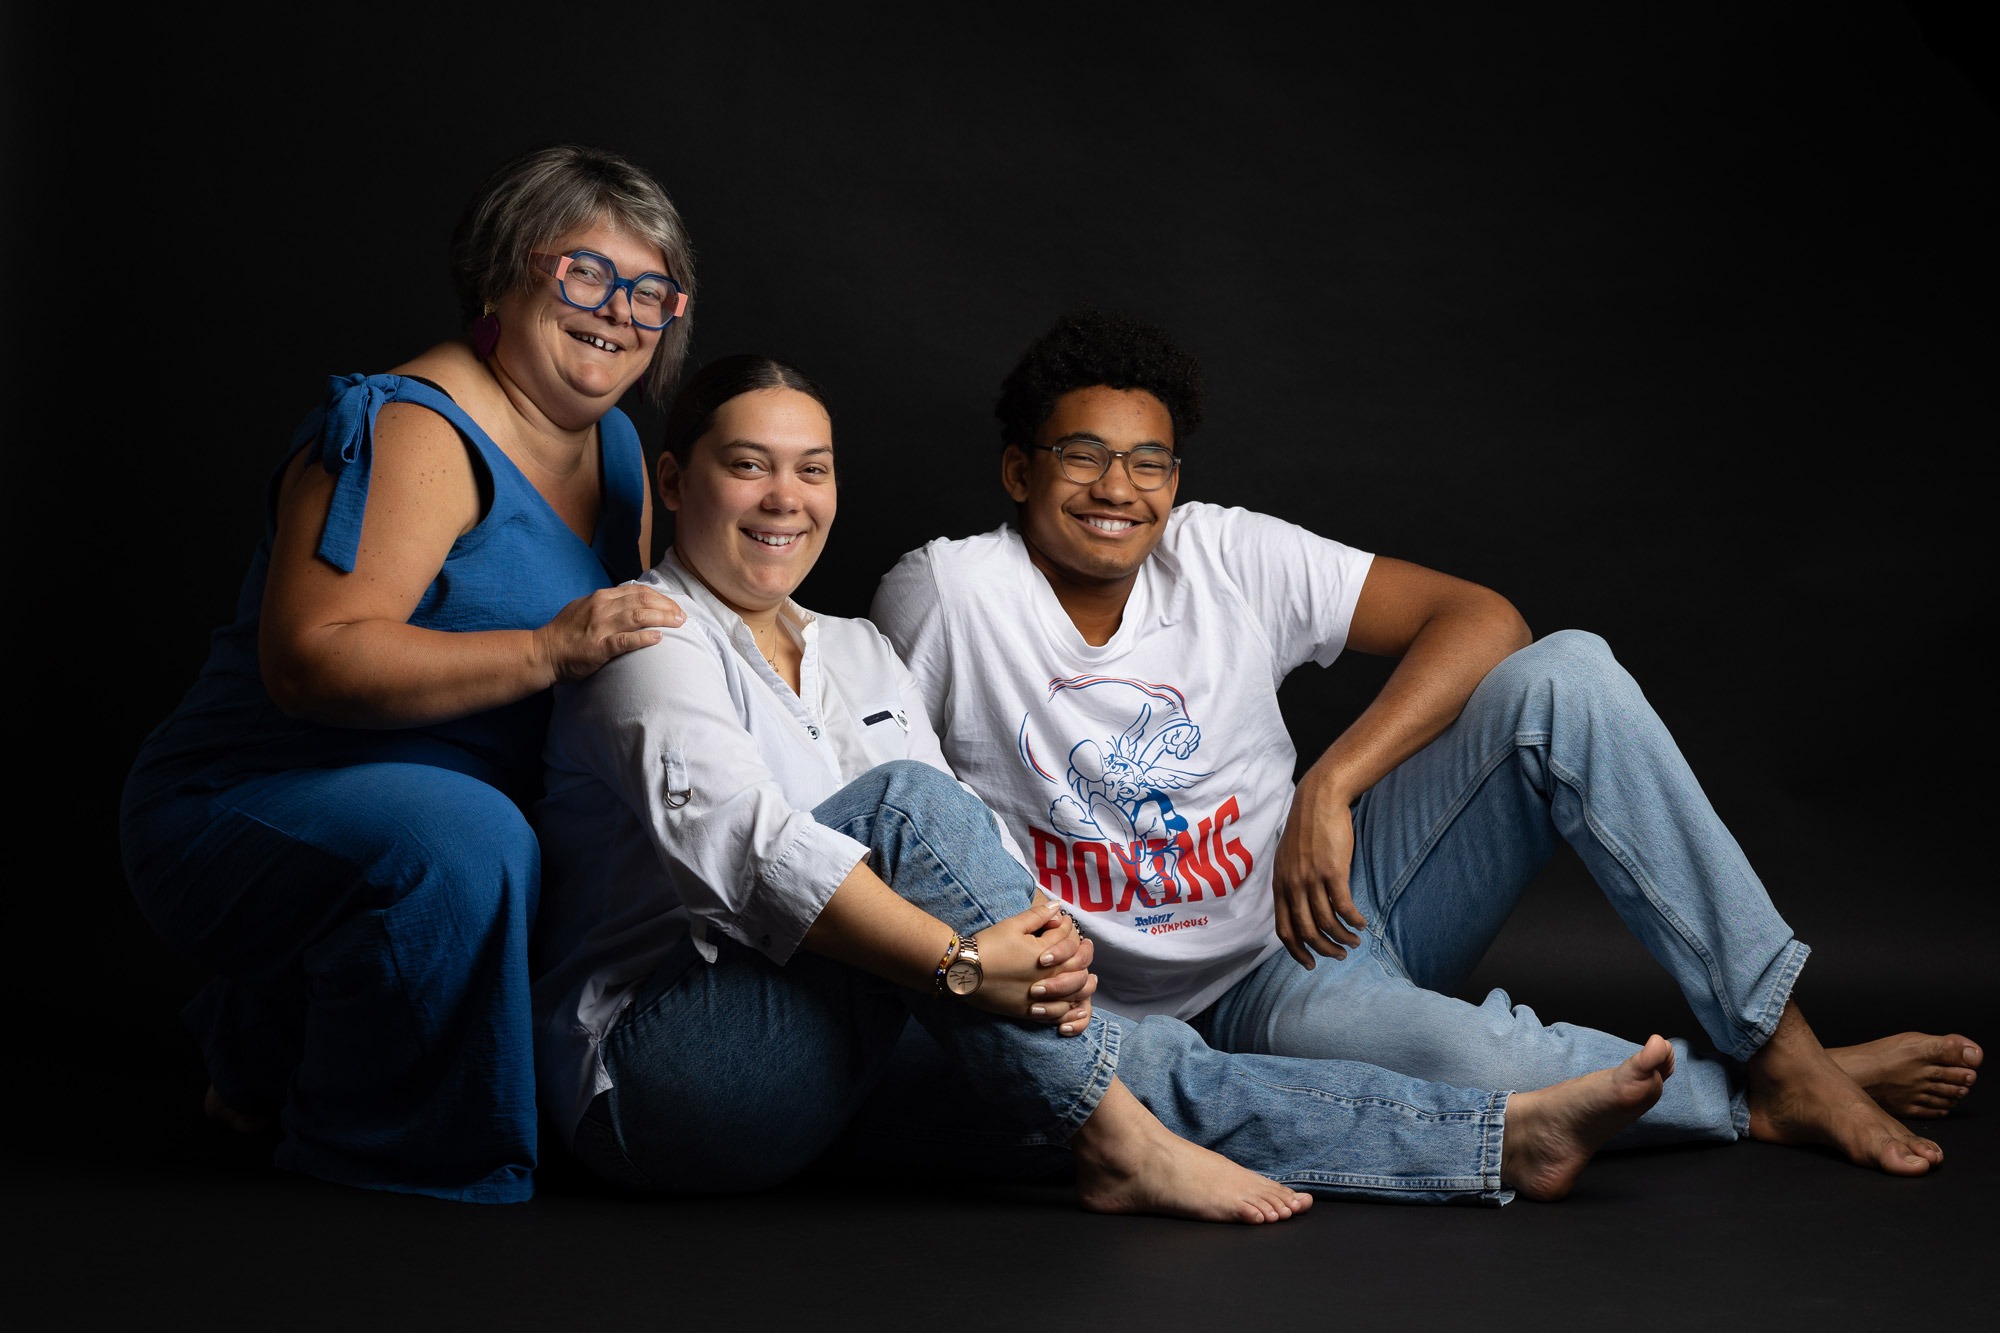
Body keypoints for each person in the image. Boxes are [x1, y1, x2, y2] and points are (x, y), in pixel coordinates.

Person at [531, 351, 1684, 1223]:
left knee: (1128, 1061)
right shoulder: (647, 636)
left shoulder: (850, 650)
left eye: (811, 469)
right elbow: (763, 860)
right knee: (909, 819)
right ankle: (1116, 1131)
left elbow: (955, 865)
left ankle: (1490, 1144)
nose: (784, 498)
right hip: (666, 1075)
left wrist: (1022, 967)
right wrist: (976, 964)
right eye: (747, 465)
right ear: (675, 478)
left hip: (845, 1032)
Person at [868, 305, 1981, 1179]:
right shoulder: (949, 594)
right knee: (1481, 1066)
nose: (1118, 489)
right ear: (1019, 471)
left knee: (1567, 672)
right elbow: (891, 803)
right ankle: (1773, 1091)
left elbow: (1484, 618)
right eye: (1081, 455)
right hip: (1115, 1012)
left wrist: (1331, 784)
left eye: (1149, 461)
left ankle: (1780, 1040)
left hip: (1296, 940)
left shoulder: (1223, 554)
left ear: (1176, 478)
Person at [118, 143, 697, 1204]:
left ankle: (268, 1040)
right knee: (468, 835)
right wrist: (544, 649)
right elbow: (311, 662)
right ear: (501, 273)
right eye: (585, 273)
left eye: (648, 290)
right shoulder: (414, 429)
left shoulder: (615, 448)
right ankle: (389, 1155)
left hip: (437, 797)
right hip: (244, 800)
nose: (616, 310)